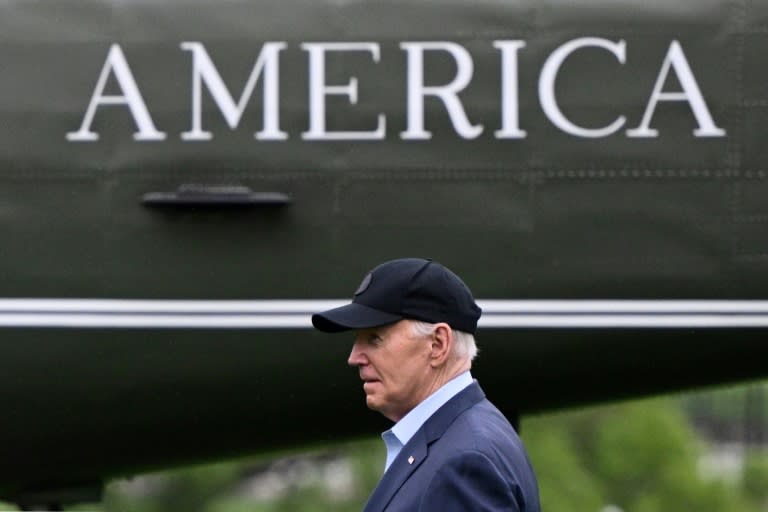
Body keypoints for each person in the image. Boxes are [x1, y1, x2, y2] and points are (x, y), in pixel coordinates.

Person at [312, 258, 540, 512]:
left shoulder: (463, 463)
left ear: (438, 344)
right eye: (358, 340)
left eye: (375, 338)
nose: (354, 358)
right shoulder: (469, 436)